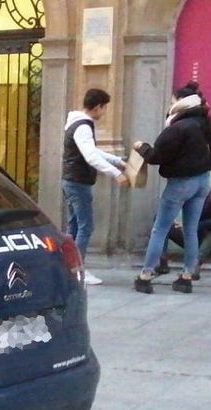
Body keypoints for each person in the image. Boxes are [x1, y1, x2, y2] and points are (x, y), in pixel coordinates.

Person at [133, 82, 211, 294]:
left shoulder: (178, 127)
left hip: (180, 183)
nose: (170, 105)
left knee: (160, 228)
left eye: (173, 101)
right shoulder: (207, 123)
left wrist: (141, 147)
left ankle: (145, 275)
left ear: (180, 104)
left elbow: (156, 156)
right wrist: (206, 166)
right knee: (191, 229)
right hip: (202, 181)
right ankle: (185, 277)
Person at [62, 88, 131, 287]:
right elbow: (90, 156)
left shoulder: (76, 122)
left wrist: (117, 161)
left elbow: (92, 151)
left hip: (72, 181)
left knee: (74, 226)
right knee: (85, 227)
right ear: (98, 106)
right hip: (78, 182)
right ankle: (79, 271)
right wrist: (116, 173)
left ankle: (69, 267)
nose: (104, 112)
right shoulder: (83, 126)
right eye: (104, 108)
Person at [162, 188, 211, 272]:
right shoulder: (185, 194)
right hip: (193, 238)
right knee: (163, 223)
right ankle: (161, 259)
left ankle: (196, 263)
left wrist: (195, 226)